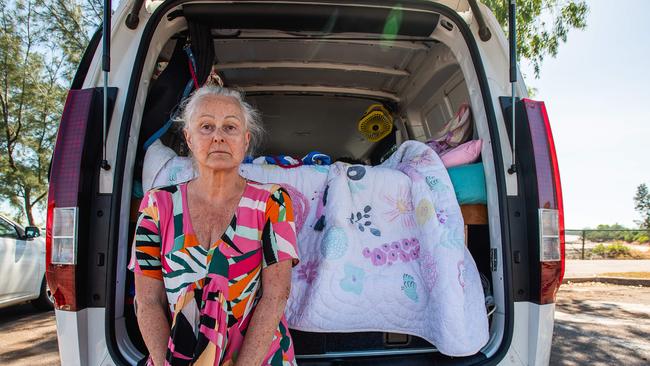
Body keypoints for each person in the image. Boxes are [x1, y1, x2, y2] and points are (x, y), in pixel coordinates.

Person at [129, 86, 300, 366]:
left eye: (230, 127)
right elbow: (147, 301)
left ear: (245, 141)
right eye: (206, 126)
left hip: (259, 358)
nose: (218, 136)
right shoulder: (156, 205)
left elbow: (275, 296)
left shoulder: (273, 201)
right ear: (189, 138)